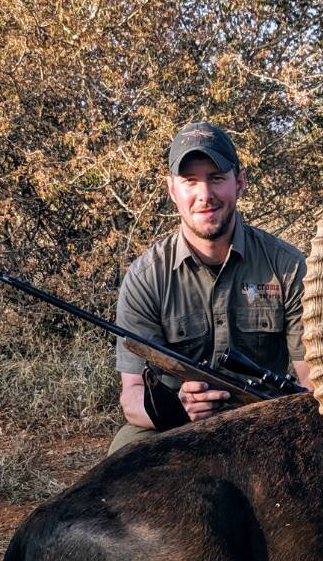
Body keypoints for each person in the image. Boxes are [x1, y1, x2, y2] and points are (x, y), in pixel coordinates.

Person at [108, 121, 310, 454]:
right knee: (123, 457)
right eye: (190, 181)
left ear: (239, 183)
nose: (205, 195)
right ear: (173, 190)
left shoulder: (288, 267)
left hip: (267, 421)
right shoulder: (146, 278)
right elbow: (131, 398)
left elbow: (313, 380)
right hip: (176, 425)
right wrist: (178, 409)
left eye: (216, 178)